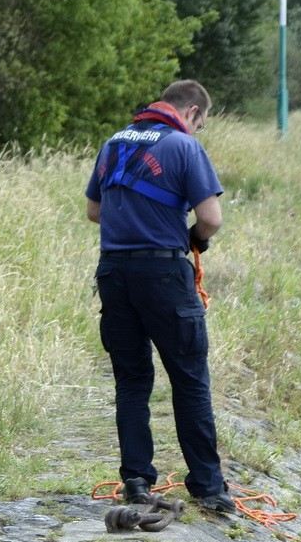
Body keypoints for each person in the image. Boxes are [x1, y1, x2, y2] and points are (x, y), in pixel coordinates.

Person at [85, 79, 235, 514]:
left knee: (132, 380)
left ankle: (136, 480)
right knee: (189, 378)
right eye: (200, 124)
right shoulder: (184, 147)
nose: (197, 131)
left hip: (114, 272)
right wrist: (190, 239)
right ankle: (208, 487)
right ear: (191, 112)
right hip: (164, 274)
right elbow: (211, 218)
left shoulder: (114, 142)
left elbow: (94, 210)